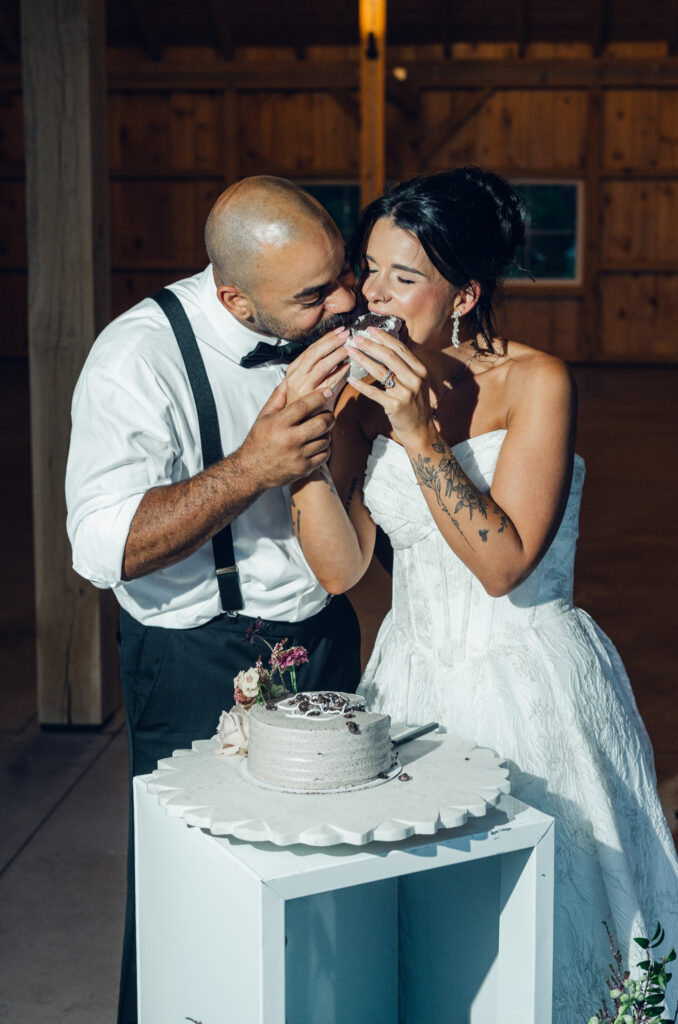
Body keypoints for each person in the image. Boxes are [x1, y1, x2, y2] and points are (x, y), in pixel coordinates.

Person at [285, 167, 678, 1021]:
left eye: (402, 277)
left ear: (464, 293)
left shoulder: (538, 383)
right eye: (368, 269)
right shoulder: (362, 397)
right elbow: (340, 570)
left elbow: (503, 563)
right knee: (429, 937)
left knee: (550, 928)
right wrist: (306, 443)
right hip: (410, 682)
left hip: (530, 682)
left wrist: (417, 434)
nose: (372, 294)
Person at [65, 176, 358, 1024]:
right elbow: (102, 549)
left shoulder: (335, 322)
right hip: (198, 662)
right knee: (192, 904)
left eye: (341, 275)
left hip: (327, 642)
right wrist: (252, 467)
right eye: (314, 294)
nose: (343, 300)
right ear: (233, 295)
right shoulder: (136, 359)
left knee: (325, 892)